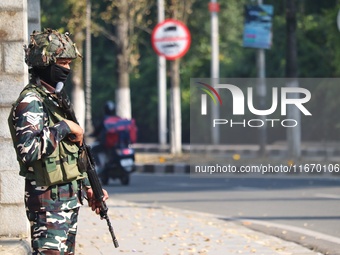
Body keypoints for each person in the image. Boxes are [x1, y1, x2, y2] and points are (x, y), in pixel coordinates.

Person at [7, 28, 108, 255]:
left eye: (69, 63)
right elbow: (28, 150)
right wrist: (64, 127)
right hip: (47, 204)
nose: (67, 69)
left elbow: (71, 152)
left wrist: (89, 185)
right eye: (62, 62)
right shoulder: (30, 102)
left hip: (67, 201)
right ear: (46, 64)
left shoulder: (55, 100)